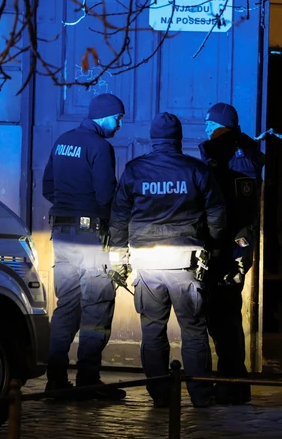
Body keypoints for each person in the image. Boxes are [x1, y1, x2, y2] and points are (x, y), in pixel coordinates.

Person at [109, 112, 226, 408]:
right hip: (185, 262)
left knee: (152, 331)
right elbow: (216, 213)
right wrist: (213, 245)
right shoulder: (195, 169)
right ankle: (201, 397)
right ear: (178, 138)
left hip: (147, 263)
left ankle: (161, 395)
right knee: (194, 331)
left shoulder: (135, 170)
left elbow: (119, 215)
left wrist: (119, 256)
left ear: (153, 138)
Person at [41, 93, 127, 401]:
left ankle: (55, 380)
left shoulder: (63, 140)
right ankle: (88, 380)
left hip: (62, 235)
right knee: (97, 308)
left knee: (66, 306)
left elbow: (47, 187)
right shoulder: (100, 147)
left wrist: (70, 205)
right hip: (90, 238)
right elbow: (106, 195)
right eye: (117, 118)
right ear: (104, 116)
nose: (119, 125)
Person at [198, 102, 265, 405]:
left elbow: (232, 209)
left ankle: (232, 384)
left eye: (209, 125)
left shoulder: (233, 159)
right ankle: (234, 383)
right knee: (225, 319)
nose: (205, 129)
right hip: (233, 248)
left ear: (219, 128)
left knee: (223, 320)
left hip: (228, 250)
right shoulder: (240, 153)